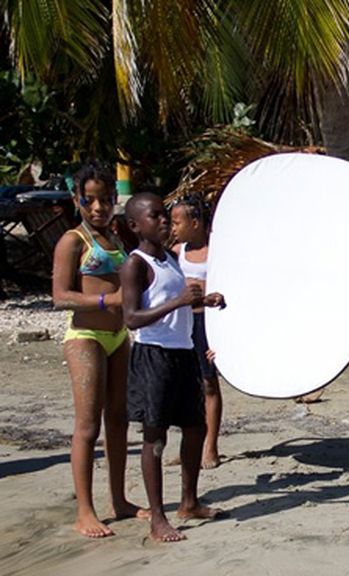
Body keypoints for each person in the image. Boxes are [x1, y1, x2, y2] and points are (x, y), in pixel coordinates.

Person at [121, 193, 225, 542]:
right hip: (154, 356)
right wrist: (179, 300)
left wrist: (203, 301)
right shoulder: (135, 264)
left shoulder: (169, 257)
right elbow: (132, 318)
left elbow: (176, 303)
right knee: (155, 436)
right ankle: (158, 517)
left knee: (195, 427)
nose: (164, 221)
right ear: (135, 225)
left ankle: (189, 501)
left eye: (165, 215)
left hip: (182, 352)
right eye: (155, 216)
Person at [52, 162, 145, 538]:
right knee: (88, 426)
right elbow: (60, 296)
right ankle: (85, 510)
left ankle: (119, 499)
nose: (98, 208)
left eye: (105, 200)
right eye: (90, 200)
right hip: (86, 338)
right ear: (77, 200)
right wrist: (108, 300)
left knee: (119, 421)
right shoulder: (74, 240)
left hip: (118, 338)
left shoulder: (117, 237)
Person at [170, 195, 222, 470]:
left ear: (195, 222)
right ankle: (189, 444)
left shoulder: (216, 252)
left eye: (178, 222)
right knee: (185, 386)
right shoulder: (177, 252)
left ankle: (210, 445)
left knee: (208, 383)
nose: (173, 227)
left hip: (207, 323)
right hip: (183, 322)